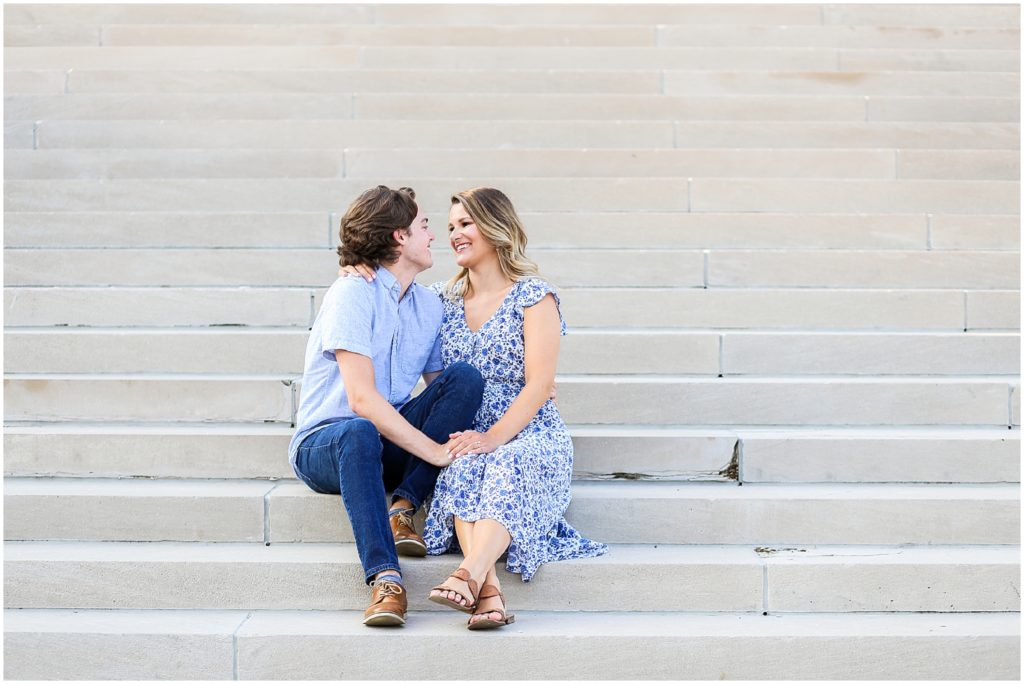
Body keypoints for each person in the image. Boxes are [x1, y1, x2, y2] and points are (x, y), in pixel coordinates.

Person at [345, 187, 607, 630]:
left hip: (527, 429)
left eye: (465, 224)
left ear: (494, 227)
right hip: (464, 429)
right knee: (464, 468)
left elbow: (540, 384)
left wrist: (493, 437)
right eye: (448, 227)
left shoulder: (534, 296)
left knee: (506, 462)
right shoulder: (439, 300)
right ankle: (489, 593)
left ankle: (469, 574)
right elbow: (394, 287)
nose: (454, 235)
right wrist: (357, 265)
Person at [288, 185, 484, 628]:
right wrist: (435, 453)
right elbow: (360, 399)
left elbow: (443, 393)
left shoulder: (429, 304)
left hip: (385, 445)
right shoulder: (352, 293)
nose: (433, 236)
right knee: (358, 429)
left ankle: (404, 505)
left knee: (465, 379)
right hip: (326, 444)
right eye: (425, 226)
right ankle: (385, 579)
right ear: (399, 237)